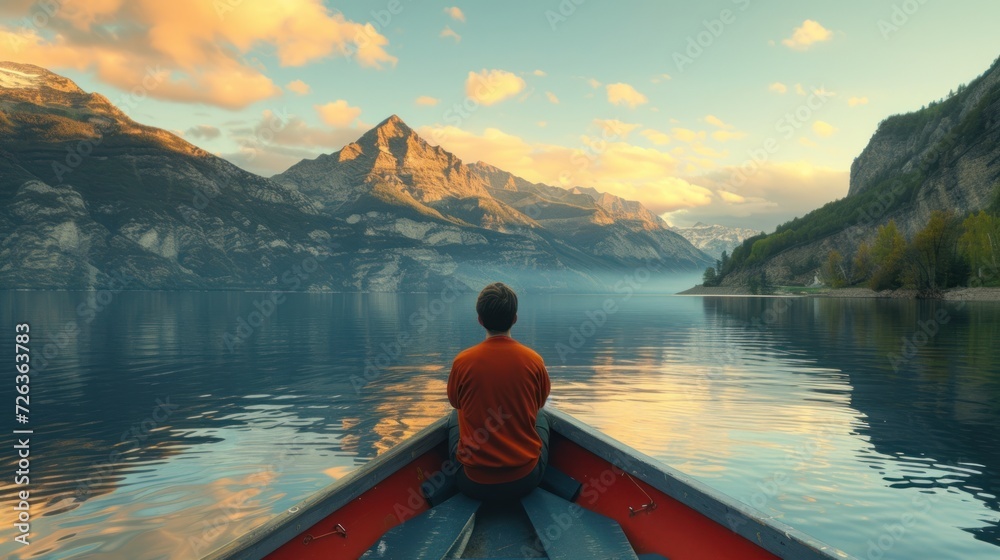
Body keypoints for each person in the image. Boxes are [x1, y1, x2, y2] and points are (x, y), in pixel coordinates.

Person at [446, 282, 551, 501]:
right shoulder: (534, 361)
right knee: (541, 415)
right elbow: (539, 402)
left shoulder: (462, 362)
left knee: (454, 417)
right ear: (515, 318)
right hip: (525, 479)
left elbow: (456, 402)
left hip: (472, 483)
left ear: (480, 320)